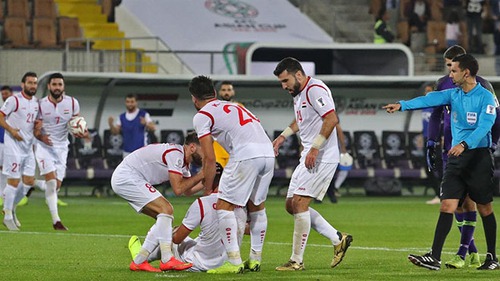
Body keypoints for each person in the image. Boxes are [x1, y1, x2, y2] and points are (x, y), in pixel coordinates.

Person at [383, 53, 500, 270]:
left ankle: (492, 257)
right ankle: (434, 257)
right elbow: (429, 99)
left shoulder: (485, 97)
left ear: (466, 73)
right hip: (456, 158)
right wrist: (402, 105)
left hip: (478, 157)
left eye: (454, 70)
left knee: (485, 208)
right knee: (447, 205)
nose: (450, 74)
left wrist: (464, 144)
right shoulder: (453, 94)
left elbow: (485, 126)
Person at [272, 57, 353, 271]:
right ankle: (338, 239)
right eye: (281, 82)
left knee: (299, 203)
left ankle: (296, 260)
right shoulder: (298, 93)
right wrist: (282, 137)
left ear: (298, 74)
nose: (284, 86)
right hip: (308, 154)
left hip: (321, 156)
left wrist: (316, 147)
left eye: (285, 80)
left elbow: (331, 119)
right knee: (291, 205)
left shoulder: (314, 89)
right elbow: (301, 120)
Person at [190, 75, 274, 274]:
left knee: (223, 206)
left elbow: (209, 158)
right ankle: (255, 259)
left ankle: (234, 262)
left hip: (246, 154)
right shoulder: (237, 106)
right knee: (257, 208)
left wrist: (208, 189)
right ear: (215, 93)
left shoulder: (202, 115)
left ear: (194, 98)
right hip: (268, 153)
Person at [427, 45, 500, 268]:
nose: (450, 70)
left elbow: (496, 117)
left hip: (474, 152)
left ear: (463, 66)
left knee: (473, 204)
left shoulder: (483, 87)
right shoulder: (443, 84)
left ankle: (467, 252)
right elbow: (435, 116)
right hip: (450, 151)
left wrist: (493, 143)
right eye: (448, 65)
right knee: (453, 204)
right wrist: (432, 142)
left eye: (453, 66)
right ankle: (467, 252)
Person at [128, 163, 248, 272]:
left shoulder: (202, 203)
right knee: (193, 240)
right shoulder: (239, 203)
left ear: (206, 182)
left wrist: (172, 232)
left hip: (198, 263)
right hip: (227, 262)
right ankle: (142, 257)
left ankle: (141, 256)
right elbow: (247, 229)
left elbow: (177, 239)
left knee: (169, 232)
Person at [111, 132, 204, 272]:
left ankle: (139, 261)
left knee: (164, 218)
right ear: (192, 147)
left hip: (130, 177)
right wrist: (202, 174)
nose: (207, 154)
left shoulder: (183, 164)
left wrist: (206, 178)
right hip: (127, 176)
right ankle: (167, 258)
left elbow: (188, 190)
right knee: (166, 209)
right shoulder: (175, 154)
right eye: (204, 149)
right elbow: (178, 189)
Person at [33, 73, 87, 230]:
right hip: (44, 146)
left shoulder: (72, 103)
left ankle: (33, 181)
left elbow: (76, 123)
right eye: (54, 84)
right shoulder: (41, 104)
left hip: (62, 147)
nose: (57, 87)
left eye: (60, 85)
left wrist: (80, 132)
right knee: (51, 182)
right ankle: (56, 221)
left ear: (63, 87)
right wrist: (41, 137)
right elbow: (35, 130)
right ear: (49, 86)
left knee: (55, 186)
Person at [0, 72, 40, 231]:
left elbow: (32, 123)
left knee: (29, 182)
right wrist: (11, 130)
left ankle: (12, 207)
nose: (32, 86)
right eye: (30, 83)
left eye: (35, 83)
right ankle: (8, 216)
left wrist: (37, 128)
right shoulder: (13, 100)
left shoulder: (36, 103)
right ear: (23, 84)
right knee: (14, 181)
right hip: (13, 146)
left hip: (28, 146)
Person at [0, 86, 13, 206]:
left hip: (12, 144)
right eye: (2, 94)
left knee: (11, 170)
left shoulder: (16, 109)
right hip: (1, 144)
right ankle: (1, 195)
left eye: (6, 93)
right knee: (1, 169)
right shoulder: (2, 110)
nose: (4, 96)